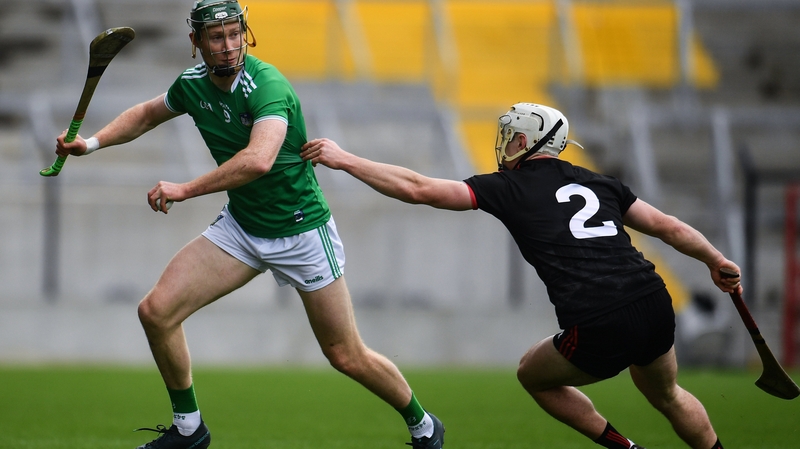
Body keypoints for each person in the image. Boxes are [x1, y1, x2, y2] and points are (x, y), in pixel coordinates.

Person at [53, 2, 445, 449]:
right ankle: (188, 430)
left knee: (345, 355)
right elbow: (146, 114)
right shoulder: (192, 85)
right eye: (216, 37)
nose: (227, 45)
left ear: (245, 34)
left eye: (234, 33)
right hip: (241, 227)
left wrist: (186, 188)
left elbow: (258, 160)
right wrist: (91, 142)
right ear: (196, 42)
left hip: (301, 232)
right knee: (156, 313)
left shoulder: (268, 85)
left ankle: (424, 425)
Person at [300, 102, 742, 449]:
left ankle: (626, 448)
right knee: (667, 394)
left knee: (533, 375)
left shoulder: (508, 187)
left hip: (599, 317)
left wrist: (345, 159)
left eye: (512, 138)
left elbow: (419, 189)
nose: (505, 145)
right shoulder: (600, 182)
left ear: (530, 142)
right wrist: (715, 260)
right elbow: (670, 227)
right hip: (653, 301)